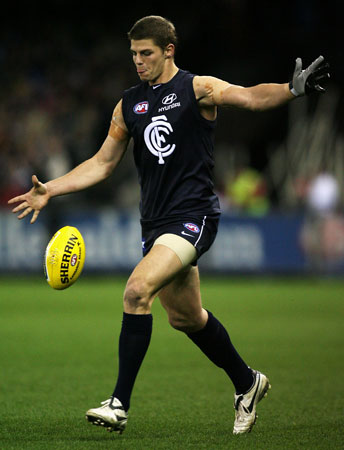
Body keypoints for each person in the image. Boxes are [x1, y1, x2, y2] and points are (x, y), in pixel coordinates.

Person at [8, 15, 330, 435]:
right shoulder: (129, 104)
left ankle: (119, 404)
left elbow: (248, 97)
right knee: (185, 317)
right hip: (155, 223)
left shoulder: (197, 89)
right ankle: (247, 382)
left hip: (194, 217)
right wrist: (50, 188)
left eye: (146, 54)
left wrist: (291, 90)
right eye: (134, 54)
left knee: (136, 289)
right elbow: (103, 163)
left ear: (167, 51)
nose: (138, 62)